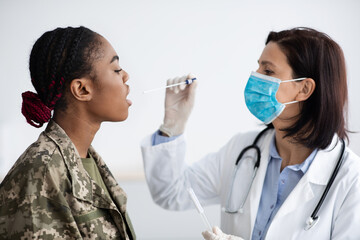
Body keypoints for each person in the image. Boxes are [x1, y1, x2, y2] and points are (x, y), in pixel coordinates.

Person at [141, 27, 360, 239]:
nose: (255, 78)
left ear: (304, 89)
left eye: (267, 71)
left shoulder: (351, 180)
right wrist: (172, 126)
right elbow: (171, 193)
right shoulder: (241, 150)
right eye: (258, 69)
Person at [0, 26, 136, 239]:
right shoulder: (41, 174)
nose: (126, 76)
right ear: (82, 89)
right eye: (117, 69)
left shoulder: (88, 161)